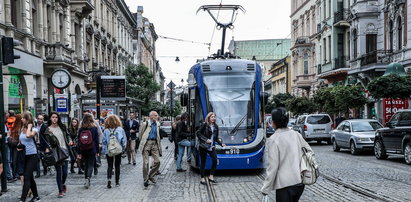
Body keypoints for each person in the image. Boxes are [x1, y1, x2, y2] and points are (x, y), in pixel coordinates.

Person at [261, 107, 312, 202]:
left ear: (274, 122)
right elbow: (309, 151)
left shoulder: (273, 139)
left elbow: (273, 166)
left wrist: (265, 189)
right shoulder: (296, 134)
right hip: (299, 182)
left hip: (285, 185)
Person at [42, 112, 73, 198]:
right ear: (50, 118)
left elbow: (68, 135)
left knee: (65, 172)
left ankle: (62, 184)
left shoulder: (62, 127)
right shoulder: (48, 130)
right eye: (53, 117)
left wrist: (70, 140)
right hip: (56, 152)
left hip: (65, 151)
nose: (54, 119)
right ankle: (60, 191)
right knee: (59, 172)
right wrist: (51, 134)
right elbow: (49, 142)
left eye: (56, 117)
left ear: (58, 118)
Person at [196, 112, 225, 185]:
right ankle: (202, 178)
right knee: (203, 162)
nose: (213, 118)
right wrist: (206, 140)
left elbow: (216, 138)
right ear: (208, 118)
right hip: (203, 146)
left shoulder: (216, 127)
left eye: (214, 117)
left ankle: (211, 176)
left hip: (211, 146)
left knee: (215, 160)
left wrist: (221, 144)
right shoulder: (204, 125)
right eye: (212, 117)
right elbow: (198, 133)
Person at [19, 112, 40, 202]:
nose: (21, 119)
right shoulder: (22, 128)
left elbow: (28, 135)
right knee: (30, 177)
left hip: (33, 155)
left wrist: (29, 126)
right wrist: (19, 147)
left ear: (27, 119)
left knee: (27, 177)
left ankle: (23, 199)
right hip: (24, 156)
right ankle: (36, 196)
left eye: (23, 118)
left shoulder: (34, 129)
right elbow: (21, 141)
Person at [101, 115, 126, 188]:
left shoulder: (106, 130)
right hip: (118, 149)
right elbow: (123, 140)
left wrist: (104, 150)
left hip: (109, 150)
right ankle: (117, 182)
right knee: (117, 166)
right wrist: (123, 149)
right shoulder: (120, 129)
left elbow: (104, 141)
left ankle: (109, 179)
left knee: (110, 165)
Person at [138, 111, 162, 187]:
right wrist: (143, 142)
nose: (156, 116)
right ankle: (145, 179)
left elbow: (157, 134)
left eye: (157, 115)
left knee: (157, 161)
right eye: (155, 115)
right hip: (146, 143)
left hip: (155, 143)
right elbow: (140, 135)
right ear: (151, 116)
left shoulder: (158, 124)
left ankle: (151, 175)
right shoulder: (145, 124)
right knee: (146, 163)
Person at [77, 113, 100, 189]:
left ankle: (86, 178)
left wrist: (79, 152)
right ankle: (88, 178)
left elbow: (79, 141)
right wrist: (97, 151)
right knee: (90, 164)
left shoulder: (81, 129)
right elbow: (96, 140)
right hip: (92, 148)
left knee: (86, 164)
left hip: (83, 149)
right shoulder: (94, 128)